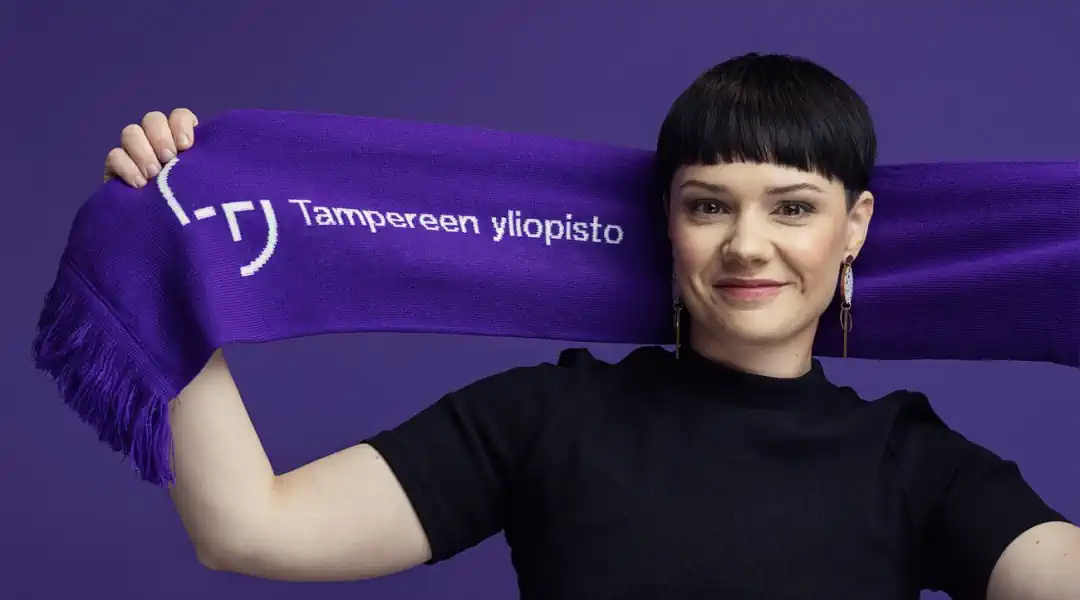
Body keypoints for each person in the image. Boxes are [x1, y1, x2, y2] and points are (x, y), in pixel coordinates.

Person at [102, 54, 1078, 599]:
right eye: (708, 205)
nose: (747, 246)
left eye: (791, 207)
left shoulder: (917, 460)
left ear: (852, 226)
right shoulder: (546, 414)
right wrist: (176, 256)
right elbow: (252, 531)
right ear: (668, 220)